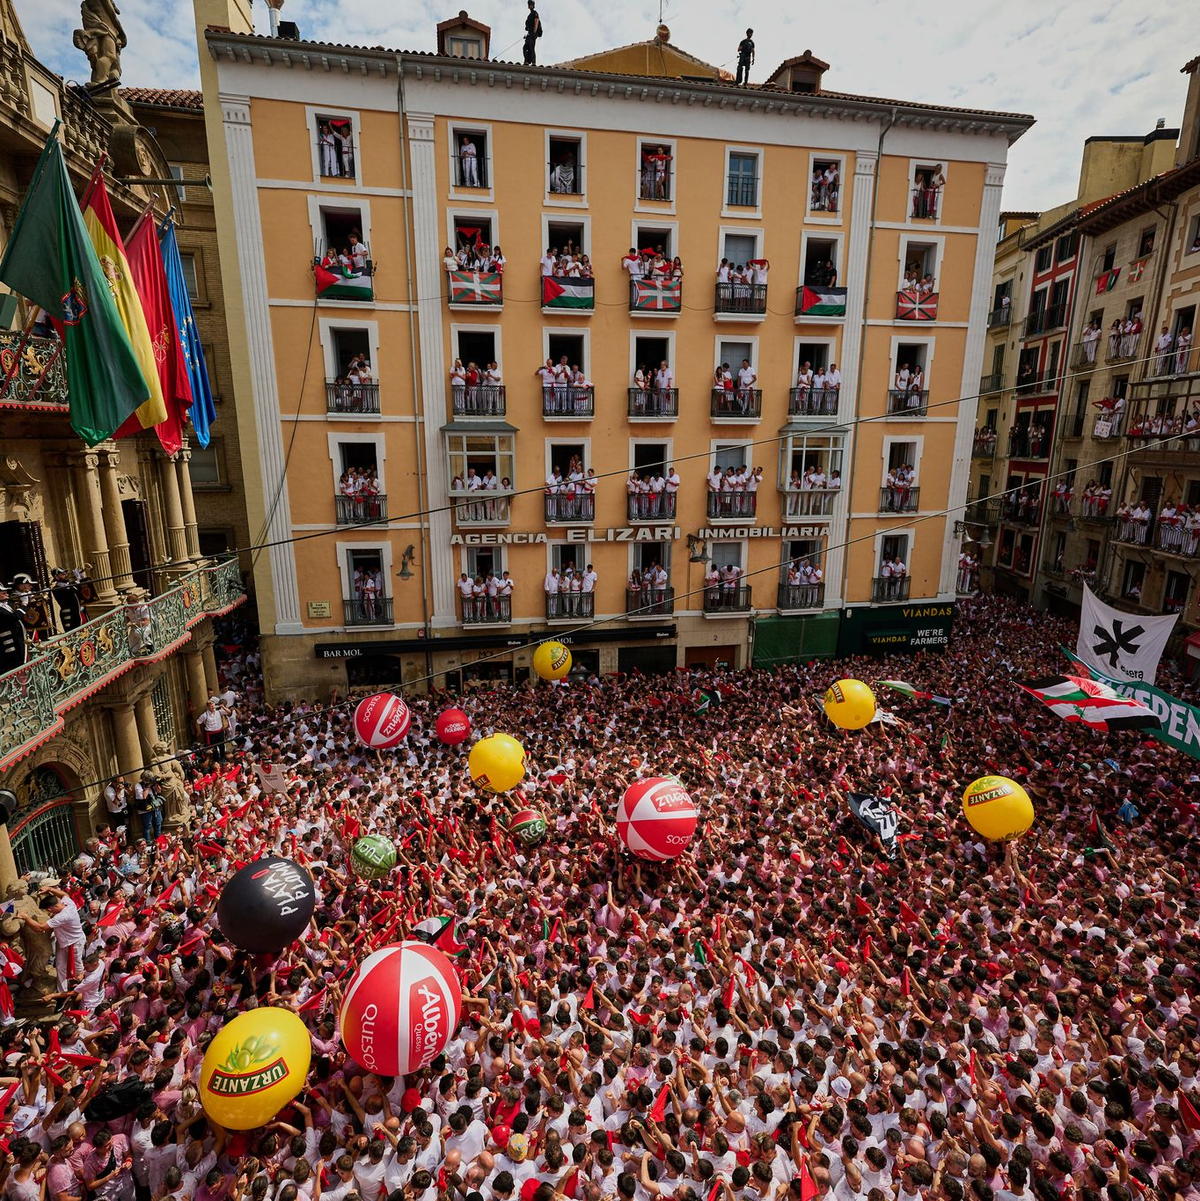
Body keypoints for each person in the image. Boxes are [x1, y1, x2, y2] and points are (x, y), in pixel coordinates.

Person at [523, 0, 541, 65]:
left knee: (531, 47)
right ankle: (527, 61)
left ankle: (533, 62)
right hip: (529, 33)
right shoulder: (529, 15)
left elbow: (536, 22)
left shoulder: (535, 13)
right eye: (529, 5)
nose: (530, 6)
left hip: (533, 33)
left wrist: (534, 32)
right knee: (525, 47)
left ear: (533, 6)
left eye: (531, 5)